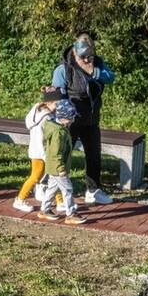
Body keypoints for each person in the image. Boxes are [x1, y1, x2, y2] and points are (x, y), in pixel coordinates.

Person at [52, 32, 116, 204]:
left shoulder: (98, 65)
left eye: (90, 56)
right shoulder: (63, 69)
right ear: (74, 52)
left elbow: (111, 78)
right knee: (63, 156)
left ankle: (93, 190)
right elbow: (57, 96)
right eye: (83, 57)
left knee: (94, 155)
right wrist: (64, 116)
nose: (88, 60)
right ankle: (54, 190)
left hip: (91, 119)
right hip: (71, 120)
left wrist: (95, 72)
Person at [13, 86, 63, 213]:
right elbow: (43, 140)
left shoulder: (37, 109)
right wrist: (47, 156)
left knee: (53, 175)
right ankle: (20, 199)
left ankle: (60, 201)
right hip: (41, 153)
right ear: (50, 103)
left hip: (37, 151)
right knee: (36, 177)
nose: (59, 106)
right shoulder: (46, 119)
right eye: (58, 103)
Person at [38, 100, 86, 224]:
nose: (73, 120)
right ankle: (70, 214)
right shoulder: (58, 132)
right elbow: (56, 153)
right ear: (64, 118)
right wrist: (61, 169)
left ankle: (44, 209)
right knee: (68, 189)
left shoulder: (57, 127)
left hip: (53, 166)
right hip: (57, 167)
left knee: (52, 188)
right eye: (72, 118)